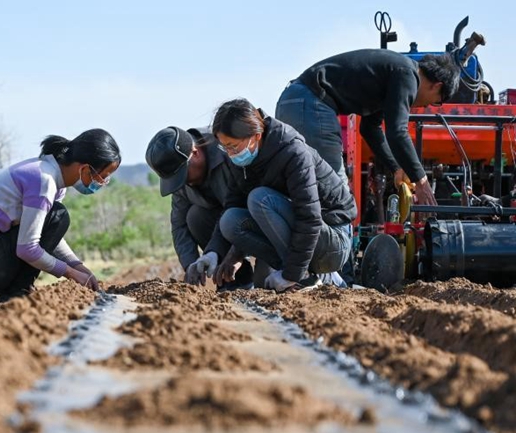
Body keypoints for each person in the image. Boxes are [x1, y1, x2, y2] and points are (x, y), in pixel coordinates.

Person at [0, 129, 120, 302]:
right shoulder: (44, 181)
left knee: (56, 216)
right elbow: (27, 248)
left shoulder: (52, 178)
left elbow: (47, 234)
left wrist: (79, 266)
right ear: (86, 169)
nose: (102, 183)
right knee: (59, 215)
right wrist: (70, 273)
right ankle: (13, 296)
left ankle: (14, 292)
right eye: (102, 177)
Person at [275, 50, 460, 206]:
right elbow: (397, 132)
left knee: (302, 186)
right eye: (436, 102)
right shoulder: (407, 74)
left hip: (291, 101)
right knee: (336, 194)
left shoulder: (391, 76)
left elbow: (370, 129)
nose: (425, 107)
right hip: (311, 103)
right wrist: (421, 179)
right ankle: (339, 249)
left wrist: (396, 168)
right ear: (437, 86)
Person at [211, 99, 357, 292]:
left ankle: (309, 276)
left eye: (233, 146)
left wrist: (291, 275)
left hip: (333, 237)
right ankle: (309, 272)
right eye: (225, 147)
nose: (230, 154)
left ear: (255, 135)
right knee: (230, 221)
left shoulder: (293, 151)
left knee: (260, 199)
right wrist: (213, 252)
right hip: (305, 237)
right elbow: (232, 205)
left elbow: (310, 218)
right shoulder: (242, 160)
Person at [145, 126, 253, 288]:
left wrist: (235, 255)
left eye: (183, 175)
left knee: (268, 285)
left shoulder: (228, 149)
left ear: (194, 153)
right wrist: (190, 265)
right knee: (194, 217)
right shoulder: (182, 182)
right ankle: (235, 280)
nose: (183, 183)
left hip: (254, 217)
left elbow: (248, 206)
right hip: (223, 224)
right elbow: (179, 225)